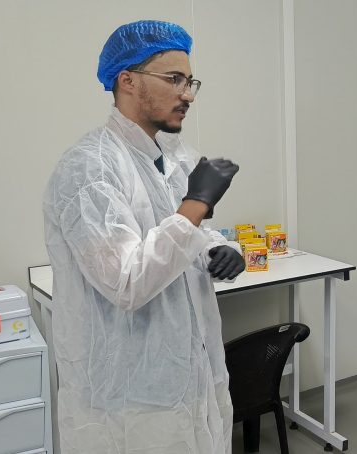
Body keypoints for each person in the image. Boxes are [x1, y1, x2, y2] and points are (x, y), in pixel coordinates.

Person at [42, 20, 244, 453]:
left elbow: (186, 235)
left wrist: (222, 248)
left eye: (190, 82)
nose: (188, 95)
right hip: (128, 397)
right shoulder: (89, 169)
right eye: (174, 79)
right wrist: (197, 203)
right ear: (127, 80)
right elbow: (128, 282)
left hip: (191, 374)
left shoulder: (173, 158)